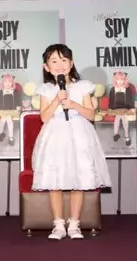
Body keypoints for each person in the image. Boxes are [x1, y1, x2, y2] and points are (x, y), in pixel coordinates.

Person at [31, 44, 112, 240]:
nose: (60, 65)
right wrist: (57, 100)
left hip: (79, 134)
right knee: (55, 180)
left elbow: (91, 114)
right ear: (46, 67)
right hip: (55, 135)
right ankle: (58, 224)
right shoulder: (46, 90)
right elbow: (44, 117)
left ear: (71, 62)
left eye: (64, 60)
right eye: (54, 61)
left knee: (79, 179)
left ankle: (74, 224)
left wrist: (73, 104)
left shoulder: (82, 86)